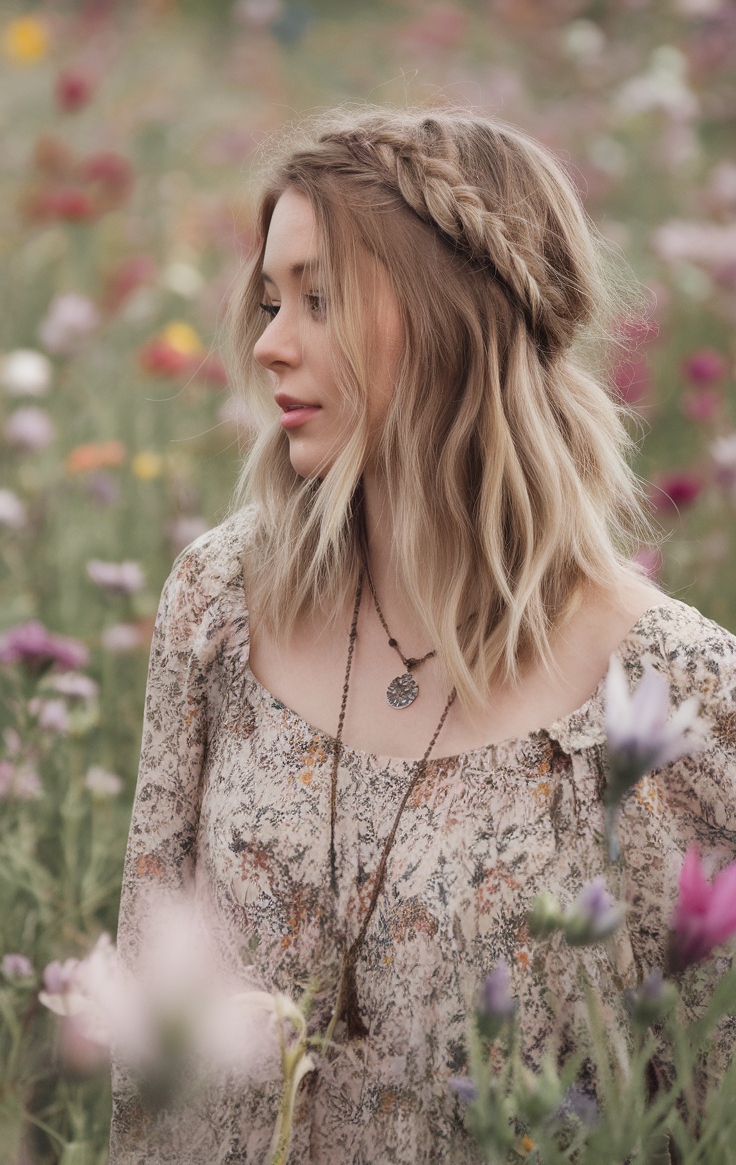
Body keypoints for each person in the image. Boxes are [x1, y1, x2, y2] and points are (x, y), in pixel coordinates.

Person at [109, 106, 736, 1164]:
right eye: (269, 298)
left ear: (456, 318)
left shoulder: (672, 687)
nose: (267, 342)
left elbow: (700, 1104)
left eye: (319, 298)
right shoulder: (220, 598)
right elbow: (147, 1000)